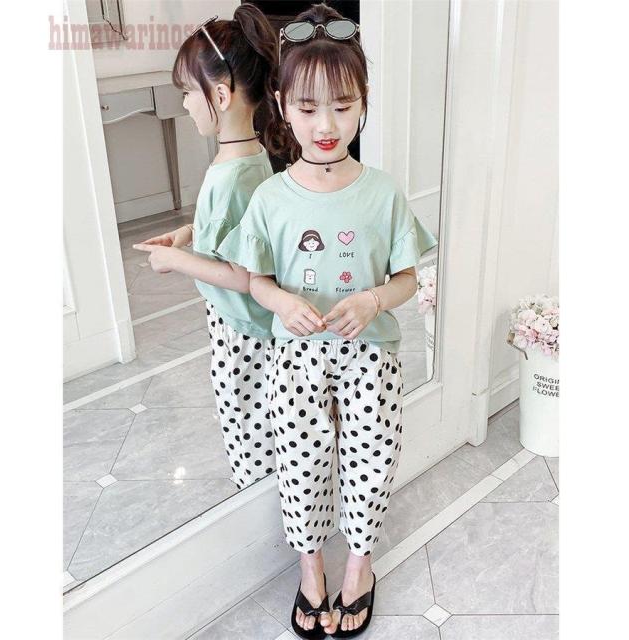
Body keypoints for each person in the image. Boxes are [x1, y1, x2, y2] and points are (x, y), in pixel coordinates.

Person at [217, 3, 437, 637]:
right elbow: (255, 278)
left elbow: (406, 279)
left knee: (372, 457)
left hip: (371, 354)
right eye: (309, 107)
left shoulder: (383, 191)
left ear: (363, 104)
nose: (326, 125)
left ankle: (358, 569)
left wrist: (373, 301)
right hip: (296, 356)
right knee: (301, 462)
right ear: (282, 106)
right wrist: (282, 303)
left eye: (342, 106)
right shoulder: (270, 197)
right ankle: (310, 569)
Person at [133, 4, 279, 490]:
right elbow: (236, 231)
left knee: (247, 420)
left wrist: (176, 260)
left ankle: (258, 496)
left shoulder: (234, 175)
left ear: (219, 93)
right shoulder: (248, 156)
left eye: (187, 93)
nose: (184, 105)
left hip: (243, 330)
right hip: (240, 324)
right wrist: (187, 233)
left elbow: (242, 275)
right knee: (252, 414)